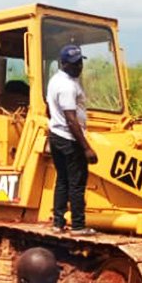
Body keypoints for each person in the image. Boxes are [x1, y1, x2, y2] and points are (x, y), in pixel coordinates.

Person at [47, 44, 99, 236]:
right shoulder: (68, 86)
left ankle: (58, 223)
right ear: (64, 63)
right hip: (69, 139)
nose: (79, 67)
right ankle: (78, 225)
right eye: (74, 64)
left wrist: (55, 122)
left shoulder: (55, 80)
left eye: (80, 63)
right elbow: (71, 119)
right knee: (77, 182)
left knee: (62, 180)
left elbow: (49, 108)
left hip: (56, 135)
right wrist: (86, 148)